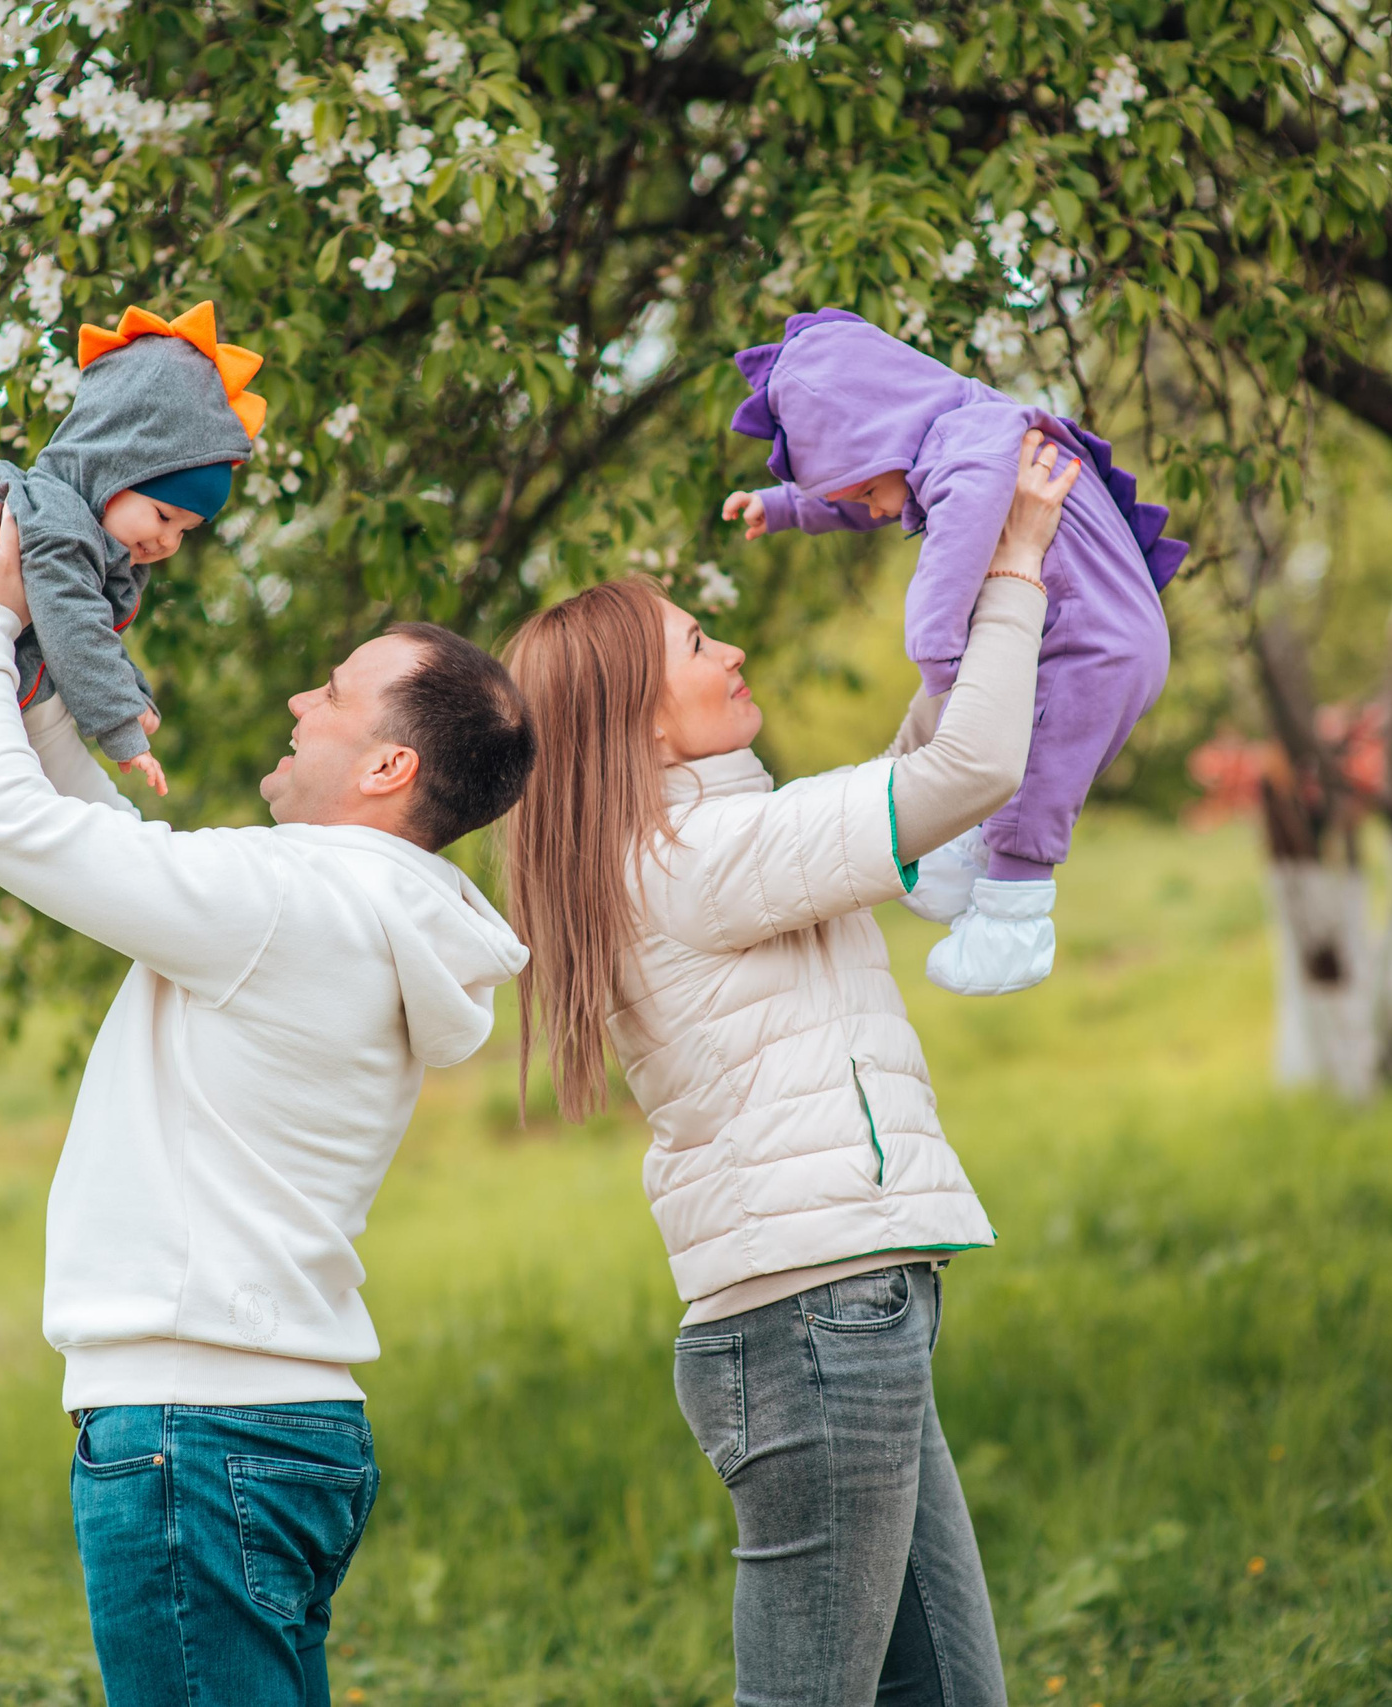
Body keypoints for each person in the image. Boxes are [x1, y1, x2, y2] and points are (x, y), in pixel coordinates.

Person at [0, 499, 537, 1706]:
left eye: (333, 692)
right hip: (271, 1422)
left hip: (195, 1436)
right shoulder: (349, 910)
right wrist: (43, 685)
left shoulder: (285, 904)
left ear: (386, 765)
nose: (303, 702)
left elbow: (2, 824)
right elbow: (107, 847)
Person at [501, 431, 1077, 1707]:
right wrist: (1021, 563)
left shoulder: (719, 840)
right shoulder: (696, 858)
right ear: (636, 722)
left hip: (846, 1314)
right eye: (699, 646)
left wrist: (970, 557)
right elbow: (969, 769)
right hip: (814, 1327)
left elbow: (907, 773)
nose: (733, 651)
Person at [0, 300, 267, 1105]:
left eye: (186, 531)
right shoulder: (54, 520)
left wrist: (127, 690)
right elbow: (72, 627)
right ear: (116, 460)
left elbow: (86, 628)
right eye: (163, 514)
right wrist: (123, 724)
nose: (167, 541)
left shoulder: (71, 527)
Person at [718, 308, 1184, 997]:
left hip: (1093, 647)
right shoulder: (954, 430)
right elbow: (879, 485)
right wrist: (785, 506)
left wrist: (940, 658)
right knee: (1013, 758)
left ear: (879, 444)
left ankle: (1013, 925)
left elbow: (950, 562)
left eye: (867, 491)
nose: (877, 512)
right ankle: (958, 856)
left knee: (1036, 785)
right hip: (1082, 629)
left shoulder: (974, 454)